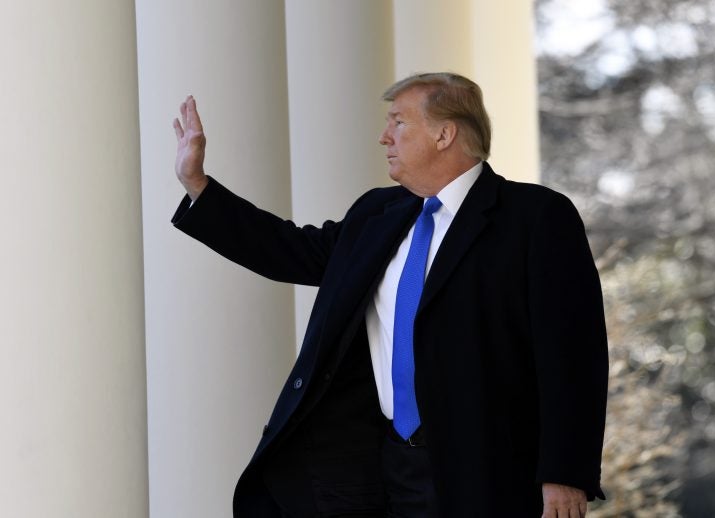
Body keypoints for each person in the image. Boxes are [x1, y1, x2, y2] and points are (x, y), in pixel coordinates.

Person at [171, 72, 608, 518]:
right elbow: (290, 250)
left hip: (488, 467)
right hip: (383, 465)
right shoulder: (376, 214)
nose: (384, 138)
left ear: (444, 133)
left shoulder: (535, 217)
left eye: (398, 122)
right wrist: (198, 185)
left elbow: (572, 356)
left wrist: (565, 472)